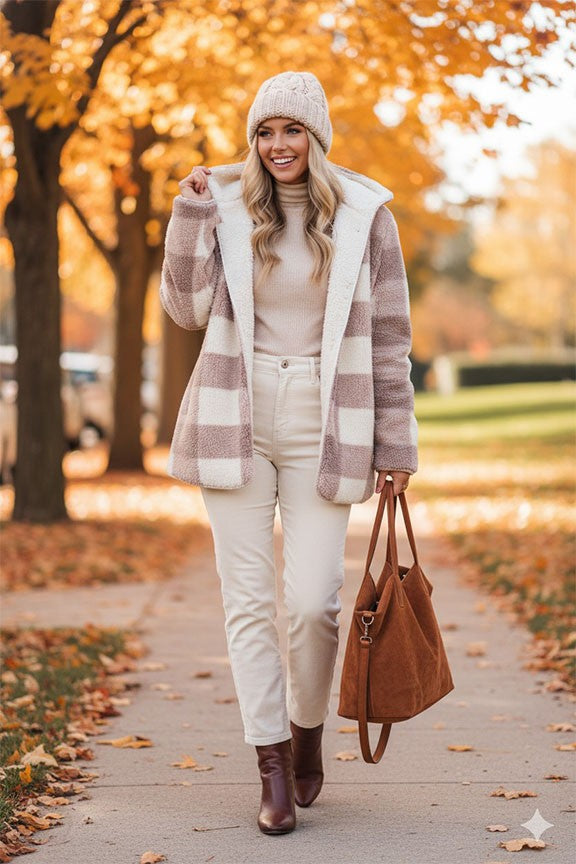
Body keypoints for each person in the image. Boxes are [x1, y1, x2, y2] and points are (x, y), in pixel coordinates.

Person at [159, 70, 418, 835]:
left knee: (313, 604)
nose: (277, 146)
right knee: (246, 602)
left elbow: (392, 342)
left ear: (317, 137)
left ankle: (307, 735)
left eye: (292, 131)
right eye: (265, 132)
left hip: (327, 417)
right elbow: (184, 309)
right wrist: (188, 213)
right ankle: (270, 766)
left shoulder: (368, 217)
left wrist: (396, 444)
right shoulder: (227, 205)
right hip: (233, 411)